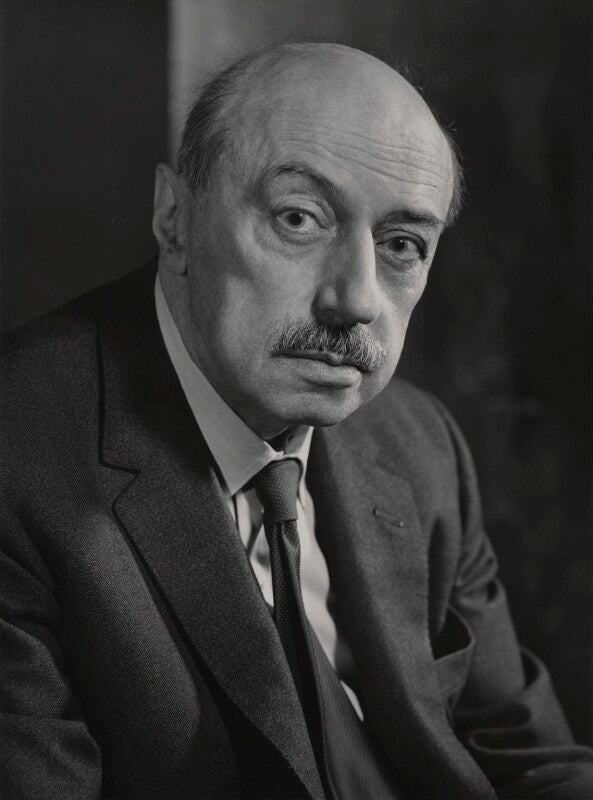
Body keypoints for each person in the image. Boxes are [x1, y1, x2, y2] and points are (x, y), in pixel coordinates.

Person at [1, 41, 592, 800]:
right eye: (298, 218)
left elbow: (525, 760)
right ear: (175, 219)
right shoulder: (20, 457)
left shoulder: (419, 441)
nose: (355, 300)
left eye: (402, 244)